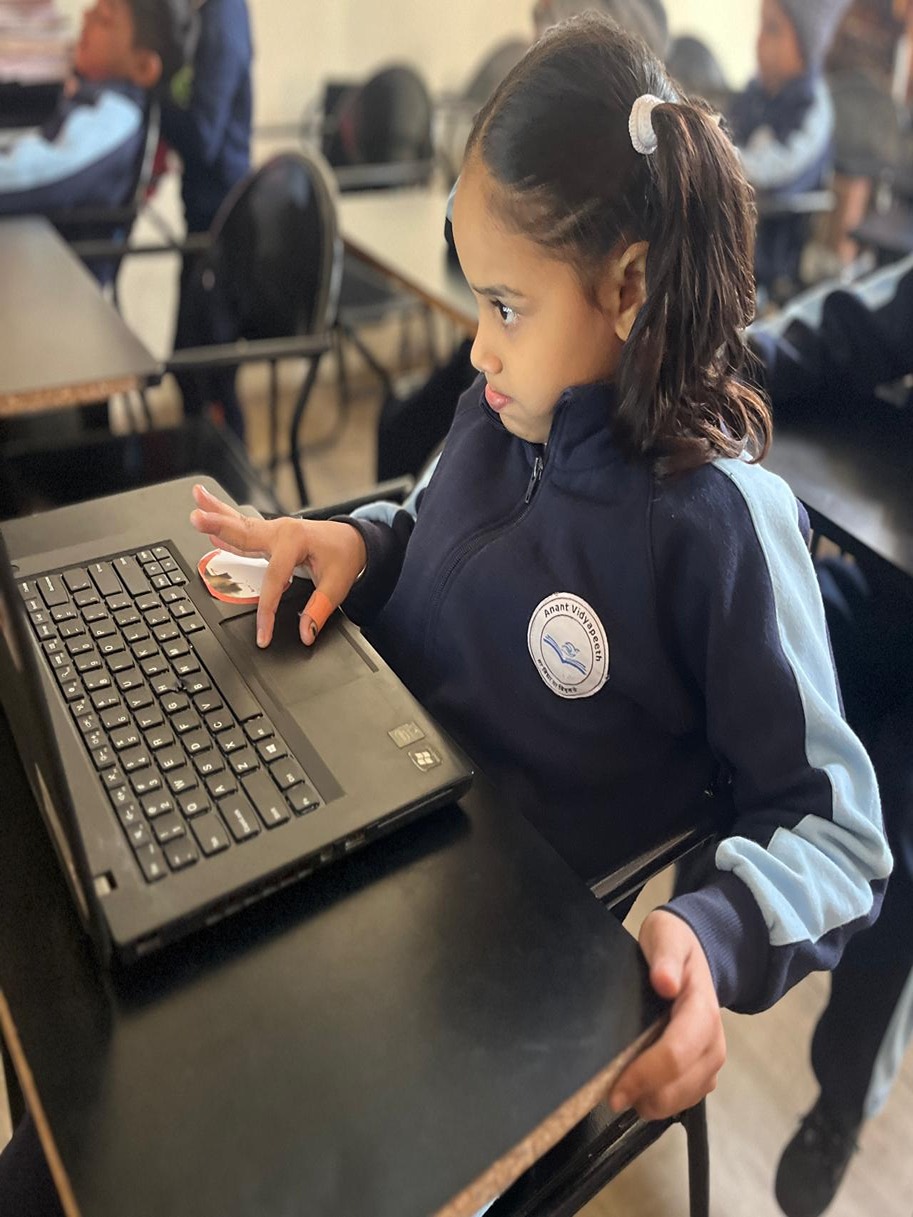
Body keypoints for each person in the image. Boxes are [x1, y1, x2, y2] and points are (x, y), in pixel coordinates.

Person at [188, 13, 890, 1131]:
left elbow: (840, 831)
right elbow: (423, 530)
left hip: (476, 970)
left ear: (629, 286)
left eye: (505, 306)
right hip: (349, 822)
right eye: (478, 299)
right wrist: (357, 545)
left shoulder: (719, 527)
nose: (477, 346)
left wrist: (711, 936)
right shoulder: (493, 410)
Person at [750, 259, 913, 1217]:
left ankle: (841, 1097)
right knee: (754, 664)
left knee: (903, 849)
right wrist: (726, 366)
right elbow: (846, 322)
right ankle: (681, 917)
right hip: (890, 582)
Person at [376, 0, 668, 484]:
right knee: (403, 426)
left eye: (552, 45)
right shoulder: (502, 411)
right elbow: (461, 224)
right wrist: (371, 543)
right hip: (533, 355)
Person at [0, 0, 197, 246]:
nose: (86, 15)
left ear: (143, 67)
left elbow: (32, 175)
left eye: (104, 18)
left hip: (62, 272)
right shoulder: (93, 99)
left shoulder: (114, 119)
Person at [160, 0, 253, 440]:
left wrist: (152, 89)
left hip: (220, 222)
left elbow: (202, 137)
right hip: (204, 216)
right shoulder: (209, 15)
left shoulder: (223, 19)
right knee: (194, 369)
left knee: (207, 373)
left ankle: (226, 486)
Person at [728, 0, 851, 297]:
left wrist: (724, 157)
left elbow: (782, 168)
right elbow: (726, 130)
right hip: (733, 223)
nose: (759, 39)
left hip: (771, 249)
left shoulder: (812, 108)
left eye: (773, 29)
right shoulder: (754, 92)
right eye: (761, 25)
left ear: (806, 48)